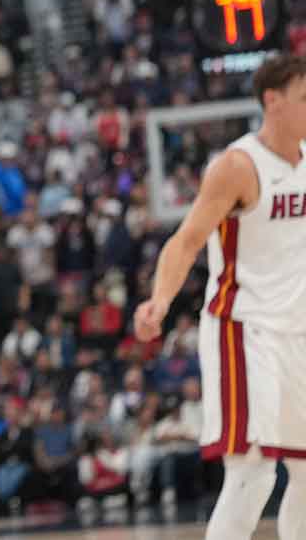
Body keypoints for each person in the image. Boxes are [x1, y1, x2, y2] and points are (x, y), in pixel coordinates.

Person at [134, 54, 306, 540]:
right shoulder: (237, 165)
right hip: (245, 329)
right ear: (272, 102)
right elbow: (186, 240)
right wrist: (160, 301)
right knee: (252, 475)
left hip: (299, 333)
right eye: (304, 99)